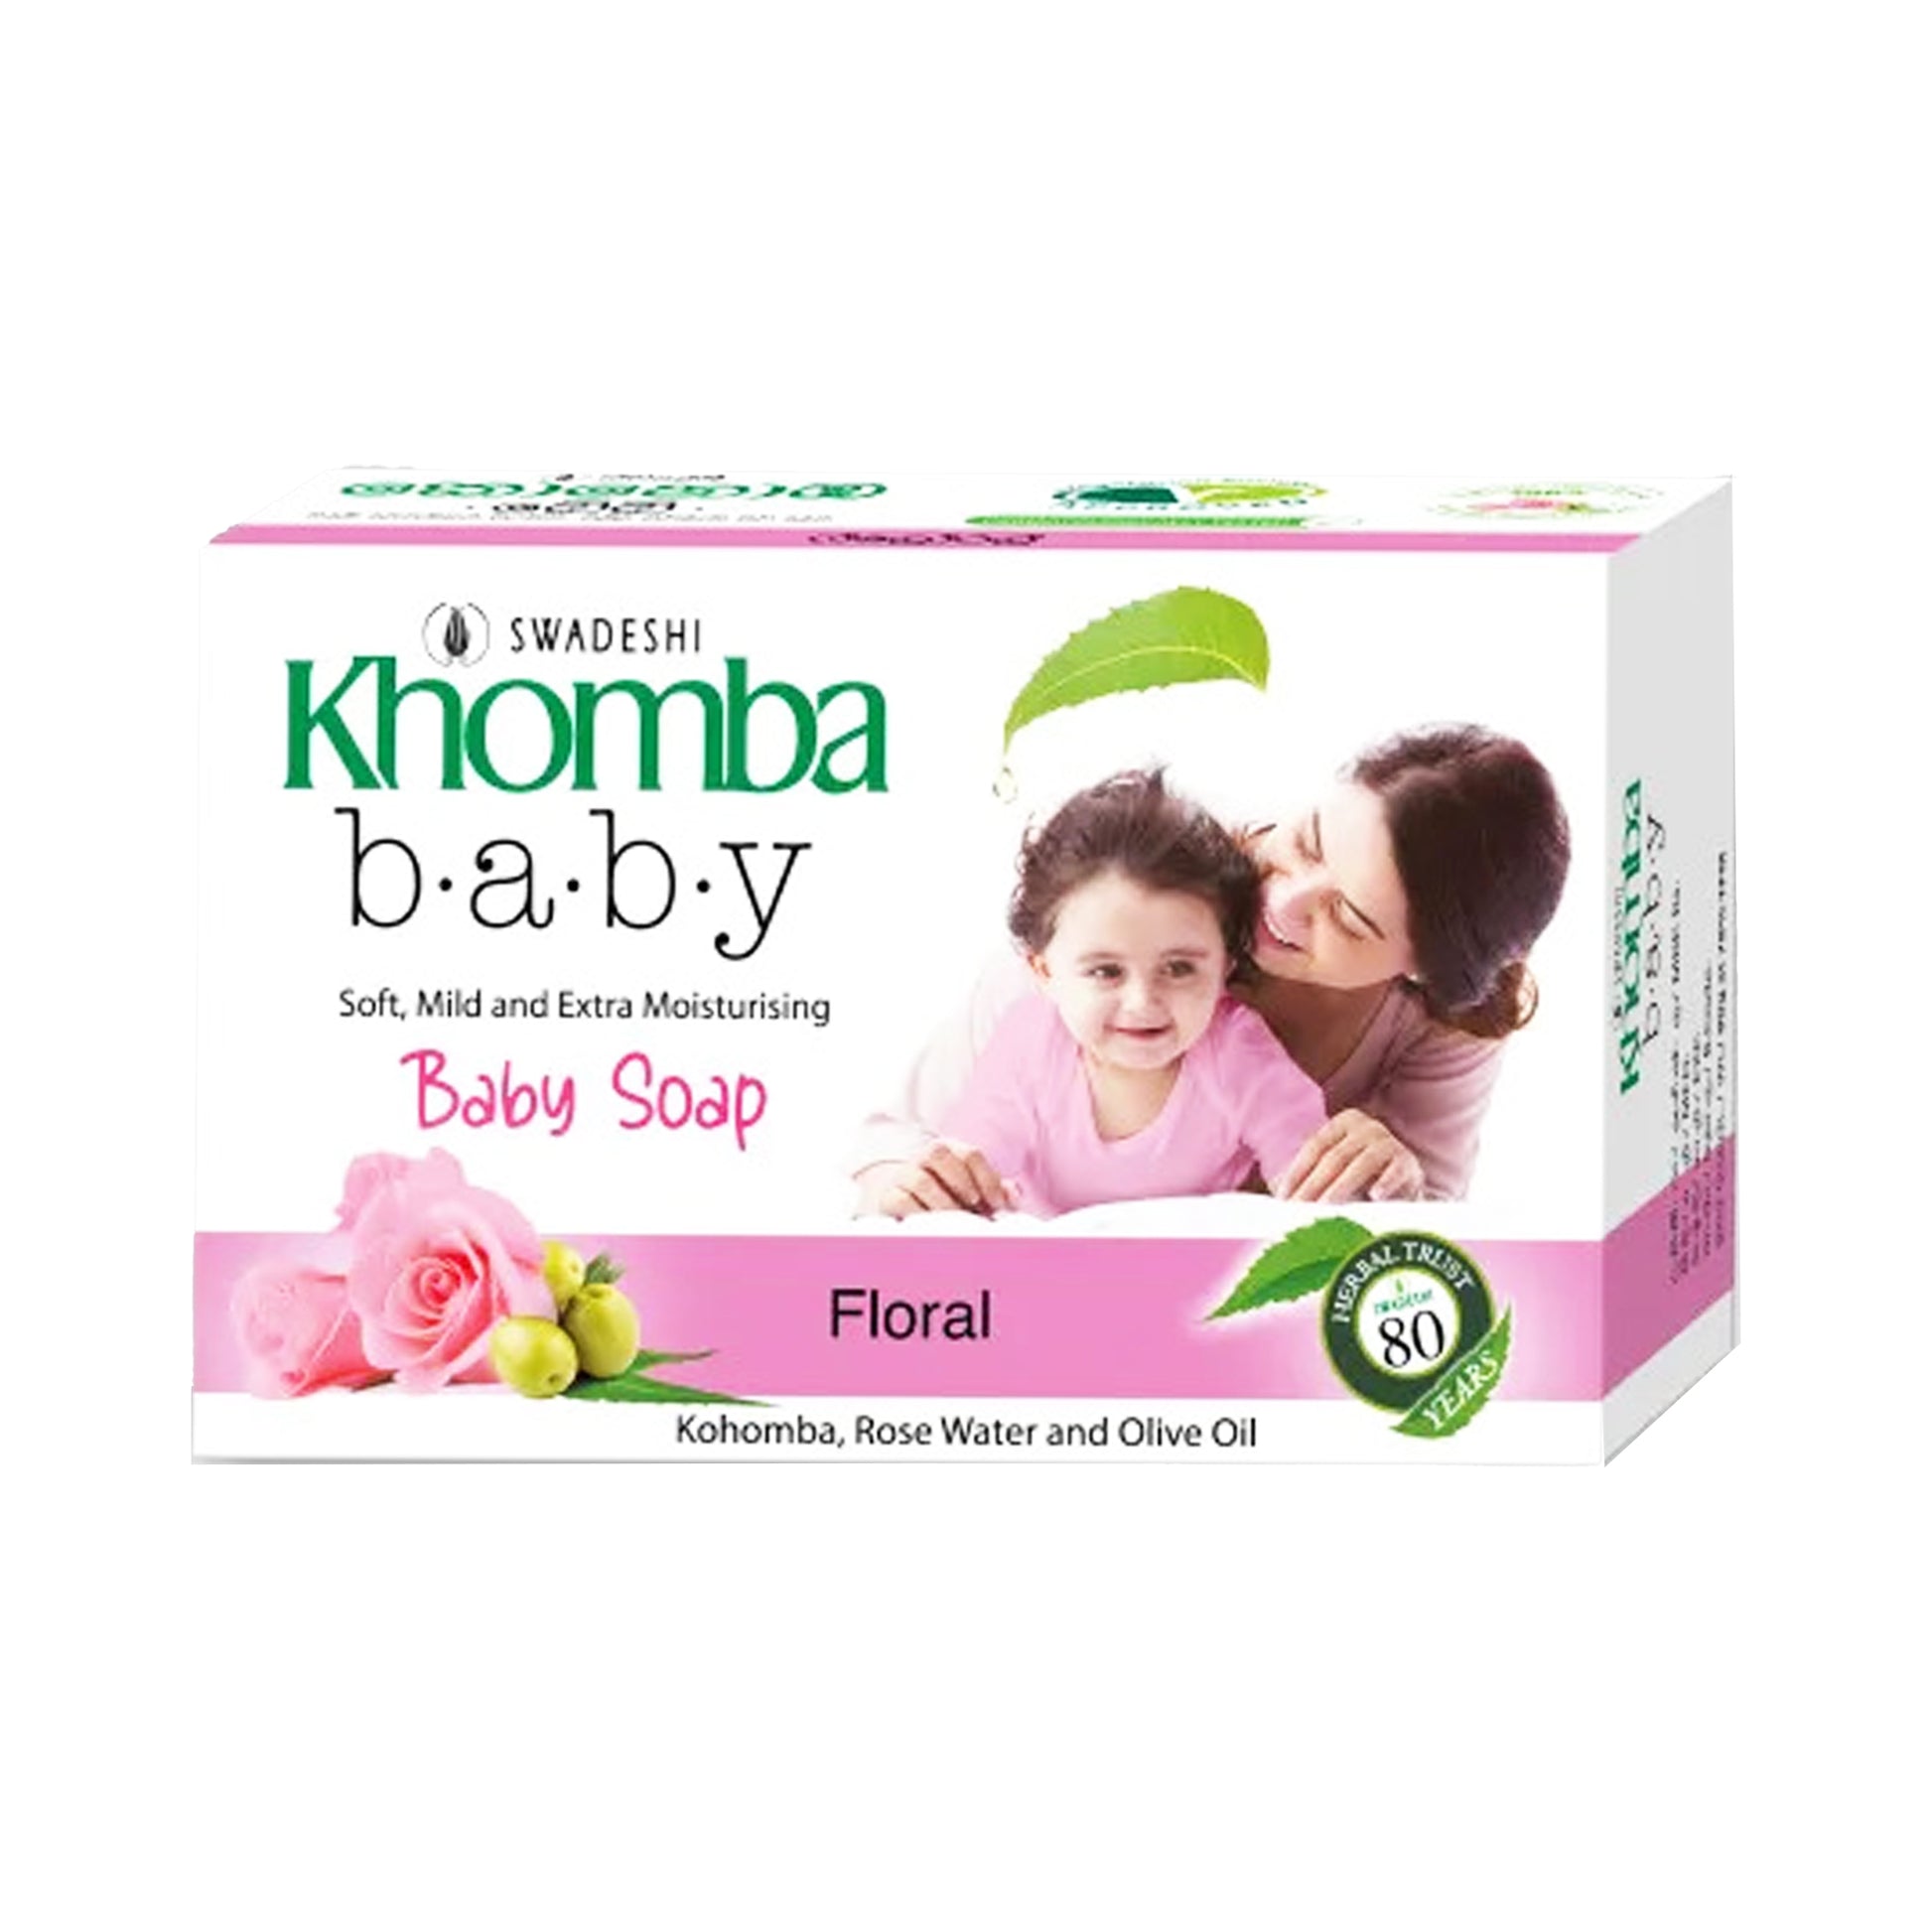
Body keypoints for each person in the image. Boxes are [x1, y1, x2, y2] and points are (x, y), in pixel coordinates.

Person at [852, 724, 1571, 1214]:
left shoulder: (1448, 1020)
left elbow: (1427, 1240)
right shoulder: (1134, 904)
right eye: (1309, 841)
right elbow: (902, 1142)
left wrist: (1396, 1185)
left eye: (1349, 920)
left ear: (1421, 971)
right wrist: (910, 1186)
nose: (1283, 903)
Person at [935, 769, 1326, 1217]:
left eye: (1179, 968)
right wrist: (947, 1186)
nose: (1142, 1003)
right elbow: (969, 1181)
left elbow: (1312, 1187)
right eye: (1106, 971)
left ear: (1225, 968)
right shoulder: (1030, 1044)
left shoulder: (1238, 1050)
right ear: (1045, 973)